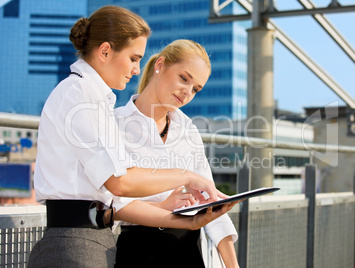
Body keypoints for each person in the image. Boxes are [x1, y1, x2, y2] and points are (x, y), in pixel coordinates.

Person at [28, 6, 233, 268]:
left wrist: (191, 222)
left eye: (196, 88)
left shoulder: (93, 98)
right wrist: (187, 176)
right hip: (79, 242)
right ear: (105, 52)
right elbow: (121, 184)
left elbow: (117, 195)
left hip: (96, 241)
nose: (137, 69)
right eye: (133, 58)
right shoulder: (81, 95)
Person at [113, 39, 239, 268]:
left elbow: (209, 201)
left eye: (196, 89)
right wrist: (163, 206)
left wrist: (233, 266)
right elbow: (112, 205)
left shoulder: (188, 129)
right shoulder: (116, 124)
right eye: (184, 78)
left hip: (187, 252)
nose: (187, 92)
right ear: (160, 65)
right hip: (138, 251)